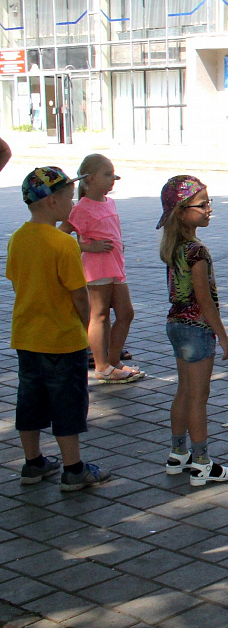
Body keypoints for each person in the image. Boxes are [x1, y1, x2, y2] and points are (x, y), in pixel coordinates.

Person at [7, 167, 112, 490]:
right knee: (67, 403)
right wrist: (83, 325)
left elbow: (15, 280)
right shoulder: (63, 244)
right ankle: (73, 468)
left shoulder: (17, 239)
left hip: (26, 336)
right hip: (62, 340)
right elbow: (79, 296)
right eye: (68, 197)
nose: (72, 203)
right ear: (52, 201)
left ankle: (33, 462)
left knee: (30, 400)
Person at [157, 175, 228, 487]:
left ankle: (178, 453)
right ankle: (202, 462)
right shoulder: (197, 251)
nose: (208, 209)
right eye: (202, 204)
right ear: (181, 211)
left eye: (209, 203)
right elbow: (204, 300)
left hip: (175, 325)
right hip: (196, 330)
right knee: (198, 398)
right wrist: (225, 337)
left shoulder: (174, 246)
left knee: (183, 391)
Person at [61, 154, 141, 384]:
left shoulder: (111, 202)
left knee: (126, 313)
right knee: (100, 315)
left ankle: (113, 359)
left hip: (116, 266)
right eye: (107, 175)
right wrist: (89, 246)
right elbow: (60, 237)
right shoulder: (82, 208)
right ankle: (102, 365)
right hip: (96, 268)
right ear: (91, 179)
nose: (112, 179)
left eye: (113, 175)